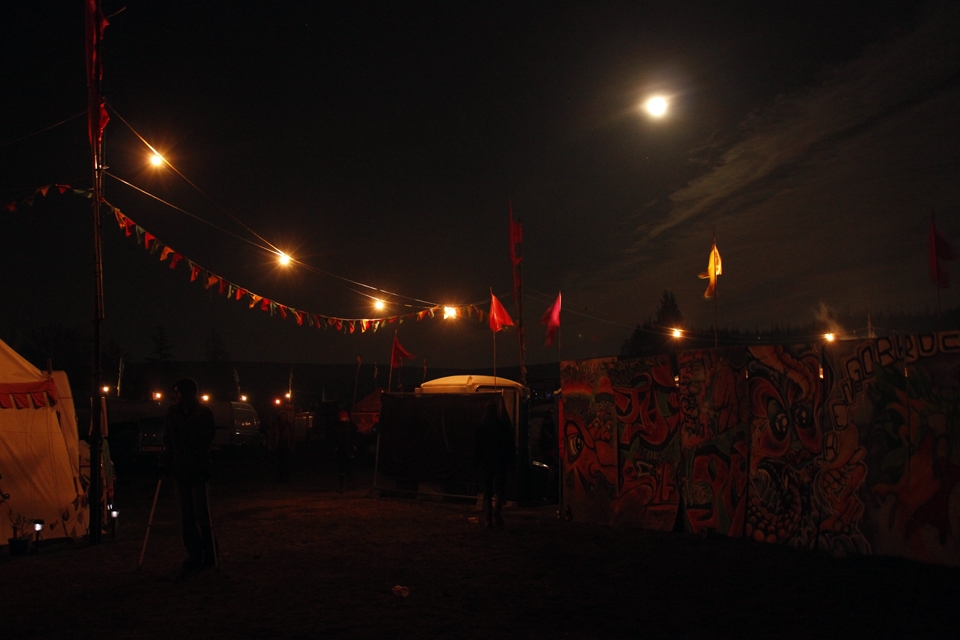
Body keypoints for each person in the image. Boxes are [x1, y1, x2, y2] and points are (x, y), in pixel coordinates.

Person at [159, 378, 217, 572]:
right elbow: (168, 440)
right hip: (180, 469)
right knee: (187, 516)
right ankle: (193, 553)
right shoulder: (173, 413)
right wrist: (165, 463)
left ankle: (210, 553)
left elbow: (207, 439)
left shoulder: (203, 413)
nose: (174, 396)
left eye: (177, 392)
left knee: (202, 513)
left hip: (198, 468)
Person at [474, 400, 516, 528]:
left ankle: (488, 519)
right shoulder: (502, 426)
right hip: (500, 461)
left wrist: (476, 461)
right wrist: (511, 460)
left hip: (487, 462)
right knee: (499, 488)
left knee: (487, 489)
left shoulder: (482, 426)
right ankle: (497, 514)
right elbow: (509, 444)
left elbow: (477, 446)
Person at [332, 410, 357, 492]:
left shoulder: (351, 426)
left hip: (349, 449)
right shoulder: (337, 426)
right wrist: (335, 446)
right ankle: (342, 485)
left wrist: (354, 445)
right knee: (341, 468)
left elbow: (356, 436)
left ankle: (350, 484)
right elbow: (334, 438)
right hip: (341, 450)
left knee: (349, 467)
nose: (343, 419)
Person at [268, 411, 295, 482]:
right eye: (282, 416)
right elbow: (271, 436)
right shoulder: (276, 425)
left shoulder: (288, 425)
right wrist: (271, 445)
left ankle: (286, 478)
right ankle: (279, 477)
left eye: (285, 416)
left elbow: (292, 436)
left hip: (286, 446)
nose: (284, 418)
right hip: (278, 446)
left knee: (286, 463)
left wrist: (292, 445)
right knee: (278, 462)